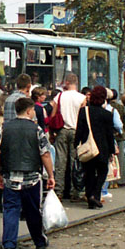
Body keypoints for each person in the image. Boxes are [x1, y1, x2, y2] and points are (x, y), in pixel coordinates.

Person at [0, 97, 55, 249]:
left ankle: (9, 245)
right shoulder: (36, 129)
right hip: (32, 177)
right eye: (33, 110)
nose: (34, 112)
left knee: (10, 210)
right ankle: (39, 241)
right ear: (28, 111)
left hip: (10, 177)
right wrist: (51, 175)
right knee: (33, 210)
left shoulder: (5, 128)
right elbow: (45, 154)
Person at [75, 86, 116, 209]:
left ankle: (90, 198)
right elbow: (109, 134)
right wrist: (112, 150)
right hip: (103, 148)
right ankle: (96, 194)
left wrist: (76, 145)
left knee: (89, 172)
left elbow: (79, 130)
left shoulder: (84, 111)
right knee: (103, 171)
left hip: (88, 147)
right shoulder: (107, 114)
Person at [54, 73, 87, 201]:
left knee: (60, 162)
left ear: (66, 82)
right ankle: (75, 192)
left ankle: (59, 191)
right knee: (75, 163)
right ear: (76, 82)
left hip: (62, 131)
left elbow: (53, 115)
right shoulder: (82, 98)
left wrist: (52, 132)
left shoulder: (59, 96)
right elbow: (84, 117)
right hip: (76, 131)